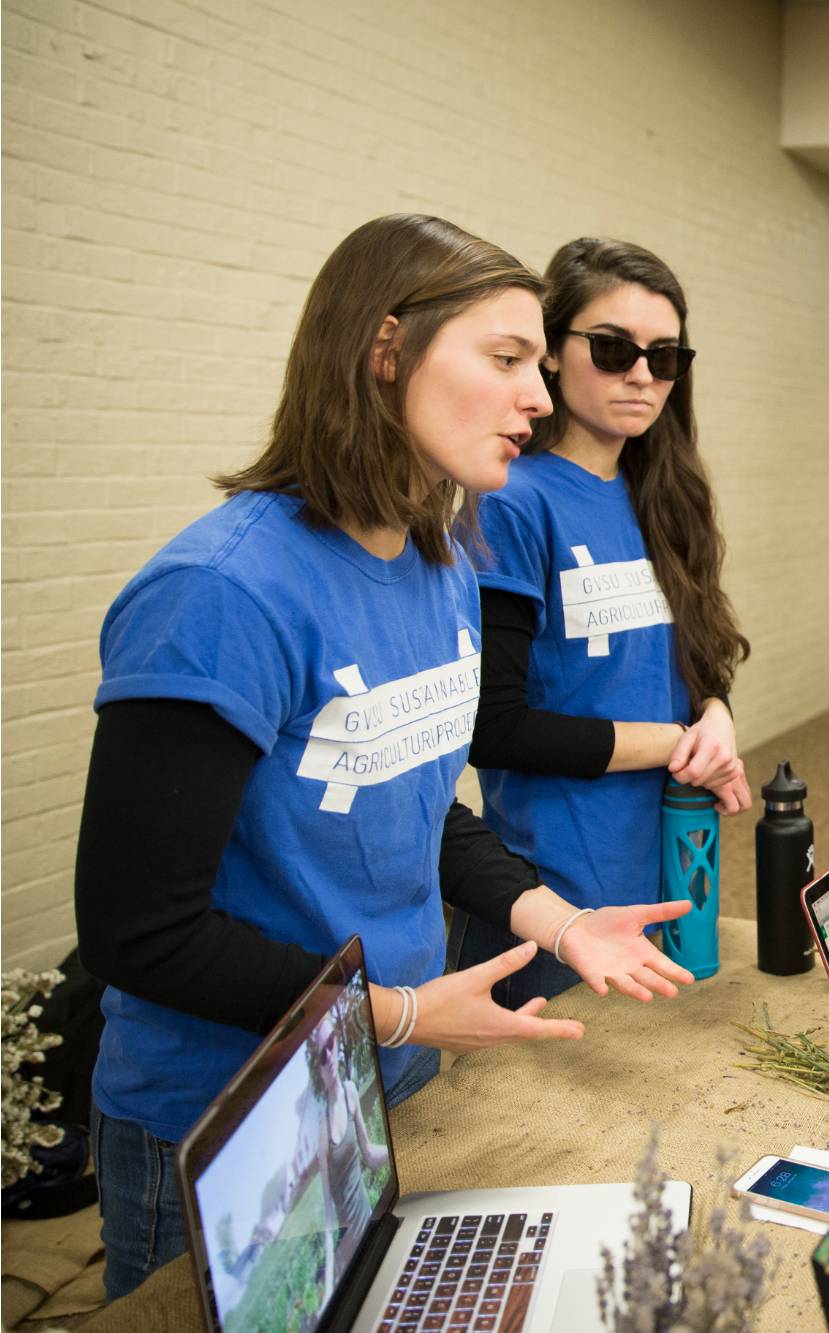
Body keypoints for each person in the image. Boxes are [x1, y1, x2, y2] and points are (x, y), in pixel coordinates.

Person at [73, 215, 694, 1298]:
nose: (539, 400)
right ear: (384, 351)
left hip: (391, 1067)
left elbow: (414, 809)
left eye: (537, 369)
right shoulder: (219, 595)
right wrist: (402, 1009)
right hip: (228, 1117)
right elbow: (140, 932)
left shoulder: (440, 557)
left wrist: (553, 916)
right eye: (505, 362)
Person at [457, 238, 751, 1003]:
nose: (643, 376)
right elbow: (495, 725)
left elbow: (689, 659)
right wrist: (672, 742)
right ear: (552, 352)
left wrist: (715, 713)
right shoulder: (514, 499)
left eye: (665, 357)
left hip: (667, 858)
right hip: (562, 896)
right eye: (614, 349)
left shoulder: (661, 492)